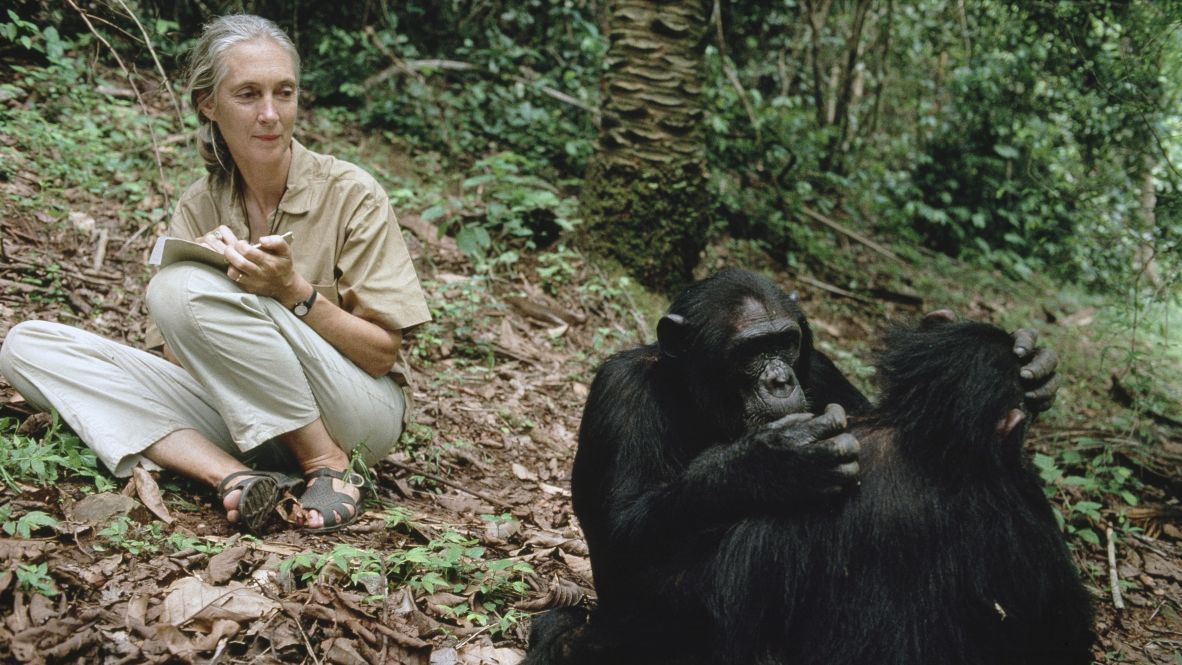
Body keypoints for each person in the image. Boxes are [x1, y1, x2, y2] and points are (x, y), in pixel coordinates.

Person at [0, 14, 431, 533]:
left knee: (182, 285)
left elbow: (383, 353)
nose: (270, 114)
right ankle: (235, 478)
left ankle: (327, 466)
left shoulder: (351, 193)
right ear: (210, 104)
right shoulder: (200, 202)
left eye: (284, 92)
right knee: (26, 346)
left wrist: (290, 291)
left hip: (356, 413)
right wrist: (210, 285)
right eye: (248, 94)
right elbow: (175, 357)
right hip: (249, 417)